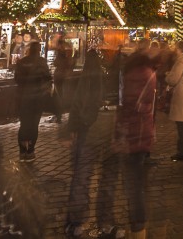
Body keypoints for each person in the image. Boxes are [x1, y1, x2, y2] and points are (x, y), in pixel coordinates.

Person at [97, 47, 157, 239]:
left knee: (126, 184)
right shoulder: (149, 75)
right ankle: (139, 228)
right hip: (141, 134)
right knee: (135, 184)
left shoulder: (131, 75)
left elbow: (128, 106)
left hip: (129, 135)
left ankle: (126, 225)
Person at [65, 49, 105, 238]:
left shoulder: (87, 78)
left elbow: (77, 103)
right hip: (94, 128)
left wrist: (74, 126)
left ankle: (76, 219)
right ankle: (80, 217)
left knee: (81, 174)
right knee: (85, 174)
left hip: (86, 129)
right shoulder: (99, 78)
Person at [14, 41, 51, 161]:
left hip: (23, 97)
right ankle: (30, 150)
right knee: (34, 125)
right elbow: (47, 77)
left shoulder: (22, 61)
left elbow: (17, 79)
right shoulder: (41, 62)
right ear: (39, 49)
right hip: (37, 98)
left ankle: (22, 151)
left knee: (24, 124)